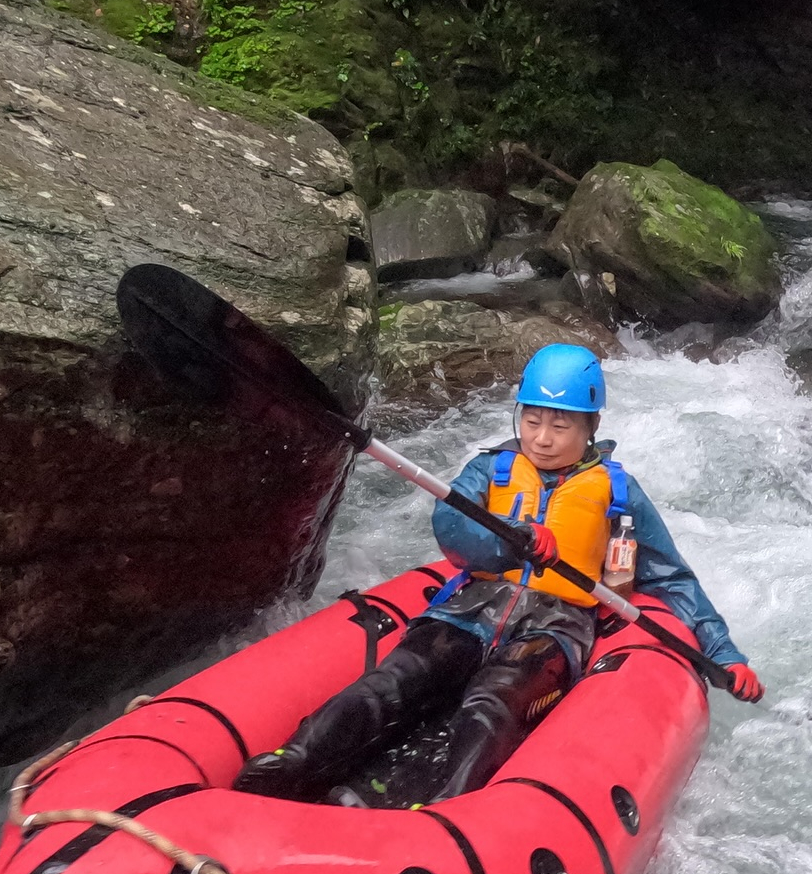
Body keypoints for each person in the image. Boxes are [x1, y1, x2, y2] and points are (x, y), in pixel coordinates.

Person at [233, 344, 763, 806]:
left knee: (494, 699)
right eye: (532, 421)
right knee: (396, 679)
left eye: (561, 425)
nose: (543, 438)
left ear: (592, 427)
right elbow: (450, 529)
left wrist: (724, 652)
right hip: (469, 609)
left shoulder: (619, 493)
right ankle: (294, 761)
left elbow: (671, 579)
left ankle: (448, 804)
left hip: (555, 625)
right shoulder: (490, 469)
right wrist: (510, 539)